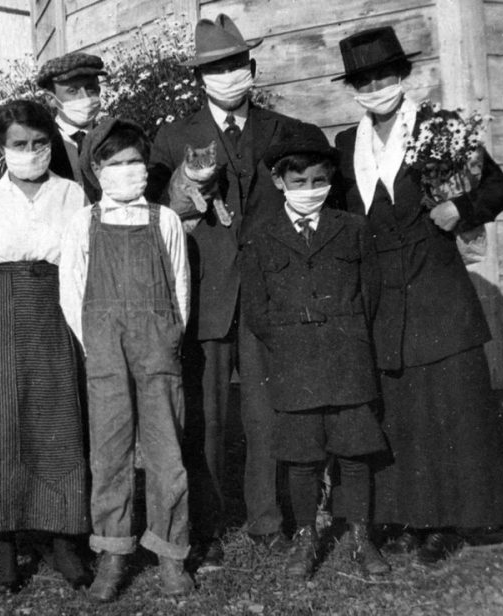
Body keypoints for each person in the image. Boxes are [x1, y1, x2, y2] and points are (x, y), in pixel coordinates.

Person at [331, 26, 503, 564]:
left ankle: (452, 521)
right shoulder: (348, 145)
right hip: (381, 296)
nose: (374, 87)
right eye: (362, 80)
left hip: (436, 284)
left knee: (449, 406)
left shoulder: (440, 128)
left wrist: (463, 210)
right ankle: (408, 517)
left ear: (402, 76)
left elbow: (497, 187)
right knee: (400, 410)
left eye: (383, 75)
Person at [146, 13, 323, 567]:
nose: (228, 75)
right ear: (201, 78)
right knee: (206, 416)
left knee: (265, 411)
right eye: (215, 68)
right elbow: (157, 214)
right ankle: (208, 521)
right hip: (206, 295)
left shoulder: (288, 132)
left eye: (235, 64)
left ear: (251, 67)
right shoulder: (175, 138)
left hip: (272, 295)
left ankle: (267, 519)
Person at [0, 99, 90, 593]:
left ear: (51, 144)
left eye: (39, 143)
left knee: (57, 422)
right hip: (1, 317)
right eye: (19, 145)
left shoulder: (70, 195)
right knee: (1, 426)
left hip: (55, 314)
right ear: (1, 148)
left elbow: (84, 262)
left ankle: (64, 539)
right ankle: (6, 541)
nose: (30, 152)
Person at [241, 123, 390, 578]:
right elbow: (256, 308)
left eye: (319, 181)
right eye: (299, 181)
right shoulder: (262, 235)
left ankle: (361, 537)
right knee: (302, 458)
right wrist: (292, 341)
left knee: (355, 451)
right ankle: (305, 538)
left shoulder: (353, 229)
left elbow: (372, 294)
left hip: (348, 358)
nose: (310, 190)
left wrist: (343, 334)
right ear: (280, 182)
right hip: (294, 363)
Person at [60, 118, 194, 601]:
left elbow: (180, 289)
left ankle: (171, 551)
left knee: (167, 452)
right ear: (97, 170)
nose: (126, 171)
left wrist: (168, 336)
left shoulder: (166, 220)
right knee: (109, 453)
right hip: (104, 349)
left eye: (135, 161)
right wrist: (94, 342)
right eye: (115, 164)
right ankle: (113, 552)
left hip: (157, 346)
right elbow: (72, 294)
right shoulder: (83, 223)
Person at [36, 51, 106, 202]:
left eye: (90, 88)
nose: (85, 98)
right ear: (51, 99)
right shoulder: (41, 146)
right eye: (72, 91)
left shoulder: (113, 136)